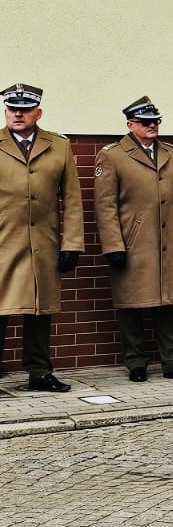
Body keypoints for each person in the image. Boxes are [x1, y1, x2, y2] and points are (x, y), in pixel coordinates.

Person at [94, 97, 173, 383]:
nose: (152, 125)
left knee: (169, 305)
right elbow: (105, 206)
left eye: (155, 120)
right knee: (132, 306)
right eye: (145, 122)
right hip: (133, 242)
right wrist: (114, 246)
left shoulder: (171, 154)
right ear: (130, 125)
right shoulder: (113, 155)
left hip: (165, 242)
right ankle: (136, 362)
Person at [0, 84, 84, 392]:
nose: (17, 114)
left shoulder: (58, 146)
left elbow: (72, 200)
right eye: (12, 109)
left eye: (24, 109)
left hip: (43, 244)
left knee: (39, 310)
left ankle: (40, 372)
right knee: (0, 309)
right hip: (3, 242)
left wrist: (72, 244)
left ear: (38, 112)